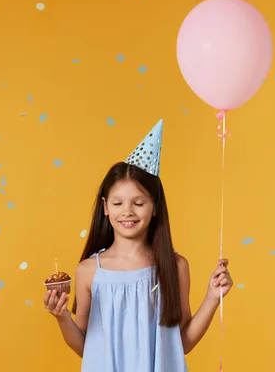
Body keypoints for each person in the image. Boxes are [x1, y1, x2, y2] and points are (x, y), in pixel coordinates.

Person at [43, 119, 232, 371]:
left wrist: (212, 297)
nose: (128, 212)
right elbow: (84, 347)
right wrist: (62, 316)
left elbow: (181, 344)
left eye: (139, 203)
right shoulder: (89, 271)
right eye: (118, 203)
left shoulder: (174, 266)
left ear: (154, 207)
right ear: (105, 207)